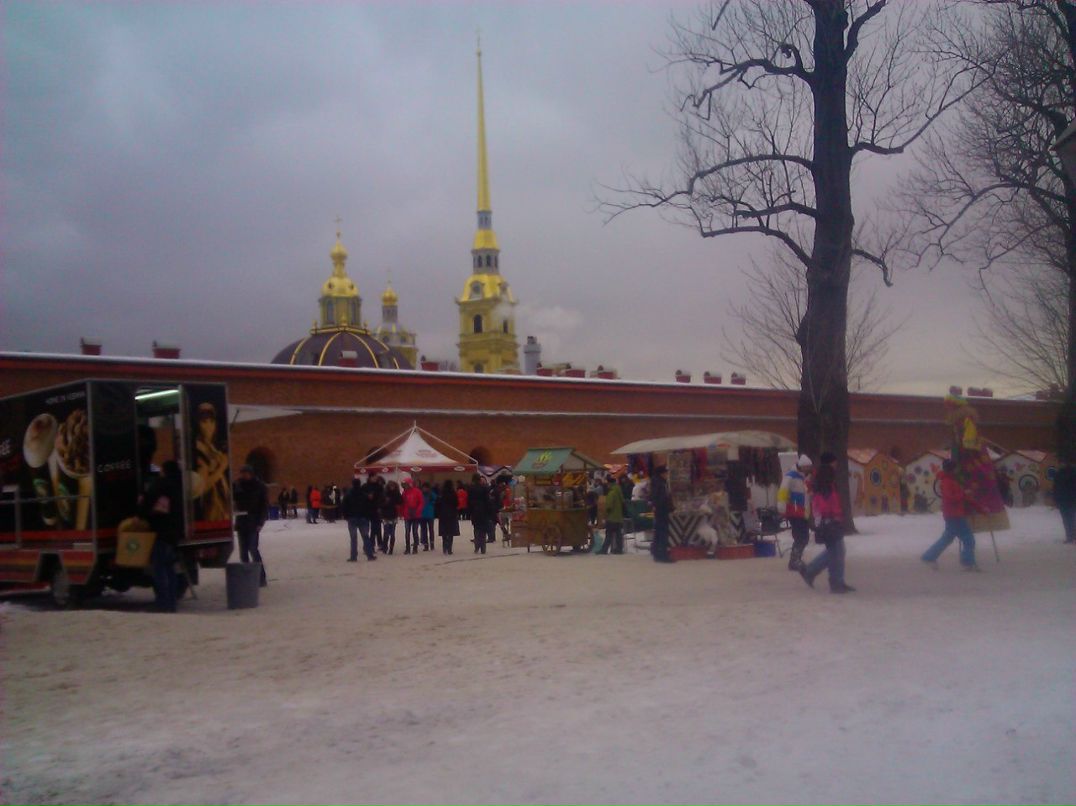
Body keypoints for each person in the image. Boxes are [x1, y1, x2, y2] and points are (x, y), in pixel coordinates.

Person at [800, 453, 855, 593]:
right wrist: (833, 516)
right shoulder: (825, 484)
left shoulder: (824, 482)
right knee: (836, 551)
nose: (836, 467)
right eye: (834, 464)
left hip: (829, 521)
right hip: (829, 522)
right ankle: (835, 581)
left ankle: (813, 572)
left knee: (835, 551)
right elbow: (823, 504)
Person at [141, 459, 184, 612]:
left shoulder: (161, 485)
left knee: (159, 569)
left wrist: (142, 509)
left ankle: (163, 602)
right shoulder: (180, 485)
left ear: (164, 471)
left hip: (162, 532)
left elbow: (148, 503)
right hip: (175, 534)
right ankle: (171, 602)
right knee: (170, 568)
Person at [921, 459, 979, 570]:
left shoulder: (950, 481)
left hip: (952, 514)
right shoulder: (947, 482)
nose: (957, 470)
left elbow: (960, 497)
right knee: (968, 539)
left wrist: (978, 506)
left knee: (947, 538)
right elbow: (950, 498)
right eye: (956, 468)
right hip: (955, 514)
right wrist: (963, 494)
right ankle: (967, 562)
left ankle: (929, 556)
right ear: (952, 469)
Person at [233, 463, 270, 586]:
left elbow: (264, 506)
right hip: (241, 522)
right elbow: (232, 499)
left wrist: (260, 522)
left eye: (246, 473)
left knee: (253, 549)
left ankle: (261, 577)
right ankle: (247, 578)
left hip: (253, 522)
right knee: (243, 552)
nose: (244, 475)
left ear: (251, 474)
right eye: (242, 473)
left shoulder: (259, 487)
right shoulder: (238, 485)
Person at [193, 402, 230, 522]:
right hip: (209, 510)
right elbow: (201, 487)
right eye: (204, 422)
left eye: (211, 421)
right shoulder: (197, 450)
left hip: (221, 509)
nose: (209, 426)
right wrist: (222, 467)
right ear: (197, 424)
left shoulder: (213, 448)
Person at [778, 454, 813, 572]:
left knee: (803, 536)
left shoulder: (804, 478)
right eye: (807, 467)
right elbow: (783, 490)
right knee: (801, 536)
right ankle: (795, 560)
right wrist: (781, 506)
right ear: (802, 466)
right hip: (794, 511)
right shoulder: (791, 476)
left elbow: (806, 496)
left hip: (801, 512)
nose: (809, 469)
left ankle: (795, 559)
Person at [649, 465, 674, 563]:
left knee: (659, 532)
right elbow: (658, 497)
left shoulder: (659, 482)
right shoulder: (659, 483)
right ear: (662, 473)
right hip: (662, 510)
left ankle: (657, 553)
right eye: (666, 473)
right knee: (662, 532)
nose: (667, 474)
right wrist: (663, 505)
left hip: (661, 509)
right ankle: (662, 554)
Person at [598, 479, 624, 554]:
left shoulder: (611, 493)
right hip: (619, 517)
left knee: (609, 534)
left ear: (610, 484)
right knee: (618, 534)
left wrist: (605, 514)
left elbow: (609, 506)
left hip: (612, 517)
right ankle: (619, 549)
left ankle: (604, 550)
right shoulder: (619, 492)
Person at [467, 474, 492, 554]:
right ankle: (483, 548)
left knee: (476, 529)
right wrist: (489, 511)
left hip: (475, 511)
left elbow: (469, 501)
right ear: (479, 480)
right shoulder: (484, 488)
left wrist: (469, 512)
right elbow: (487, 501)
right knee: (483, 530)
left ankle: (477, 546)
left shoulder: (470, 489)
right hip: (483, 511)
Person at [1054, 461, 1076, 543]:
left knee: (1067, 519)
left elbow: (1055, 487)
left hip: (1063, 499)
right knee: (1070, 518)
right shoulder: (1073, 473)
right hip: (1070, 499)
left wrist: (1055, 499)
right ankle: (1072, 536)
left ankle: (1070, 536)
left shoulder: (1059, 474)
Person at [437, 479, 460, 554]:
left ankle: (444, 547)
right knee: (450, 532)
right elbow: (456, 503)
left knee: (444, 531)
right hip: (452, 514)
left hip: (443, 514)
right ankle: (449, 548)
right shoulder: (453, 493)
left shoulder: (441, 493)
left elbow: (438, 503)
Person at [402, 479, 424, 554]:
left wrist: (417, 511)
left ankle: (415, 547)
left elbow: (421, 502)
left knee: (415, 531)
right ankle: (407, 548)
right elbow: (403, 503)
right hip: (407, 515)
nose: (405, 486)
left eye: (406, 484)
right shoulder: (404, 493)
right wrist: (404, 512)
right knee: (407, 532)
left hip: (416, 515)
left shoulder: (417, 491)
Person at [379, 479, 402, 554]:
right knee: (386, 533)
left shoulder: (397, 494)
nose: (392, 487)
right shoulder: (384, 494)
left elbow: (400, 502)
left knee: (392, 533)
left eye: (393, 486)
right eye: (390, 486)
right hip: (385, 515)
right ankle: (385, 547)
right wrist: (385, 502)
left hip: (393, 516)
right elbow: (380, 504)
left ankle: (391, 548)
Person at [421, 481, 438, 551]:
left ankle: (432, 543)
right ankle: (425, 544)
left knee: (431, 530)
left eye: (425, 488)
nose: (424, 489)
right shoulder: (421, 494)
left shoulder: (431, 494)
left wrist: (431, 503)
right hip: (422, 515)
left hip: (430, 514)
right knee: (424, 530)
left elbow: (436, 500)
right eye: (423, 488)